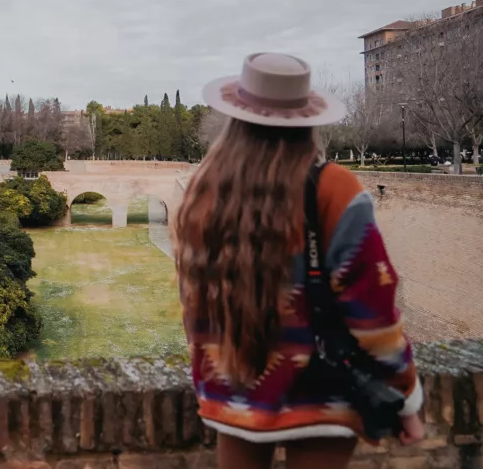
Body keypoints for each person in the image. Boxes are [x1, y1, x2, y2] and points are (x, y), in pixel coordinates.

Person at [172, 53, 424, 469]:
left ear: (237, 118)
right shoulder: (335, 188)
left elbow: (193, 299)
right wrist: (405, 397)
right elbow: (372, 311)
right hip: (320, 393)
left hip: (232, 391)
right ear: (308, 119)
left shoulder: (204, 190)